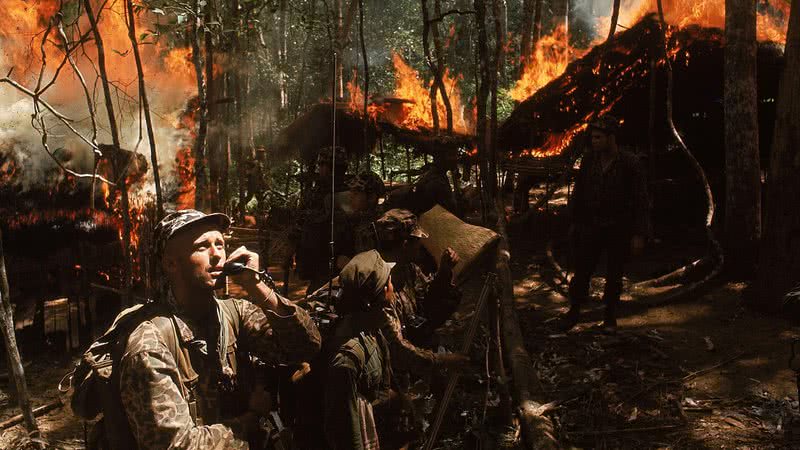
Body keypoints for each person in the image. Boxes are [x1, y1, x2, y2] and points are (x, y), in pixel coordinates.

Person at [119, 209, 321, 449]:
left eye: (220, 245)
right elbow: (176, 445)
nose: (217, 255)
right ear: (171, 263)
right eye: (202, 247)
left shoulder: (234, 313)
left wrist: (258, 288)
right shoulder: (150, 343)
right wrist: (252, 421)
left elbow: (306, 347)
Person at [560, 116, 651, 333]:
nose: (594, 141)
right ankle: (574, 311)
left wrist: (639, 234)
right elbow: (580, 193)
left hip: (619, 227)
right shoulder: (589, 161)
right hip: (591, 224)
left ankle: (610, 316)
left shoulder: (630, 163)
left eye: (599, 137)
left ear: (611, 138)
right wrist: (573, 221)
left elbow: (641, 200)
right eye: (592, 137)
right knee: (582, 270)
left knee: (614, 273)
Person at [324, 250, 395, 450]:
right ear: (382, 293)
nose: (393, 287)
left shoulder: (371, 328)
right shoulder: (348, 357)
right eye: (389, 282)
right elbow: (347, 432)